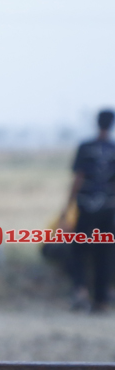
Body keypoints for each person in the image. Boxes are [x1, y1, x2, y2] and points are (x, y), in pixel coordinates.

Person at [60, 108, 115, 312]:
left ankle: (81, 291)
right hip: (108, 208)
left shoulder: (85, 147)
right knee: (105, 252)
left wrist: (66, 209)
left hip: (85, 207)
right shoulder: (113, 149)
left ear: (96, 122)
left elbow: (78, 179)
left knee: (79, 249)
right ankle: (101, 300)